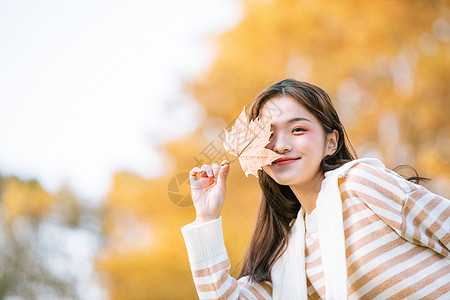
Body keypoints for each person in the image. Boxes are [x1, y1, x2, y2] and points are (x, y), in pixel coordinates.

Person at [181, 79, 450, 299]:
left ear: (331, 142)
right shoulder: (289, 251)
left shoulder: (361, 184)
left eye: (298, 129)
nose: (282, 145)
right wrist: (207, 217)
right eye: (268, 135)